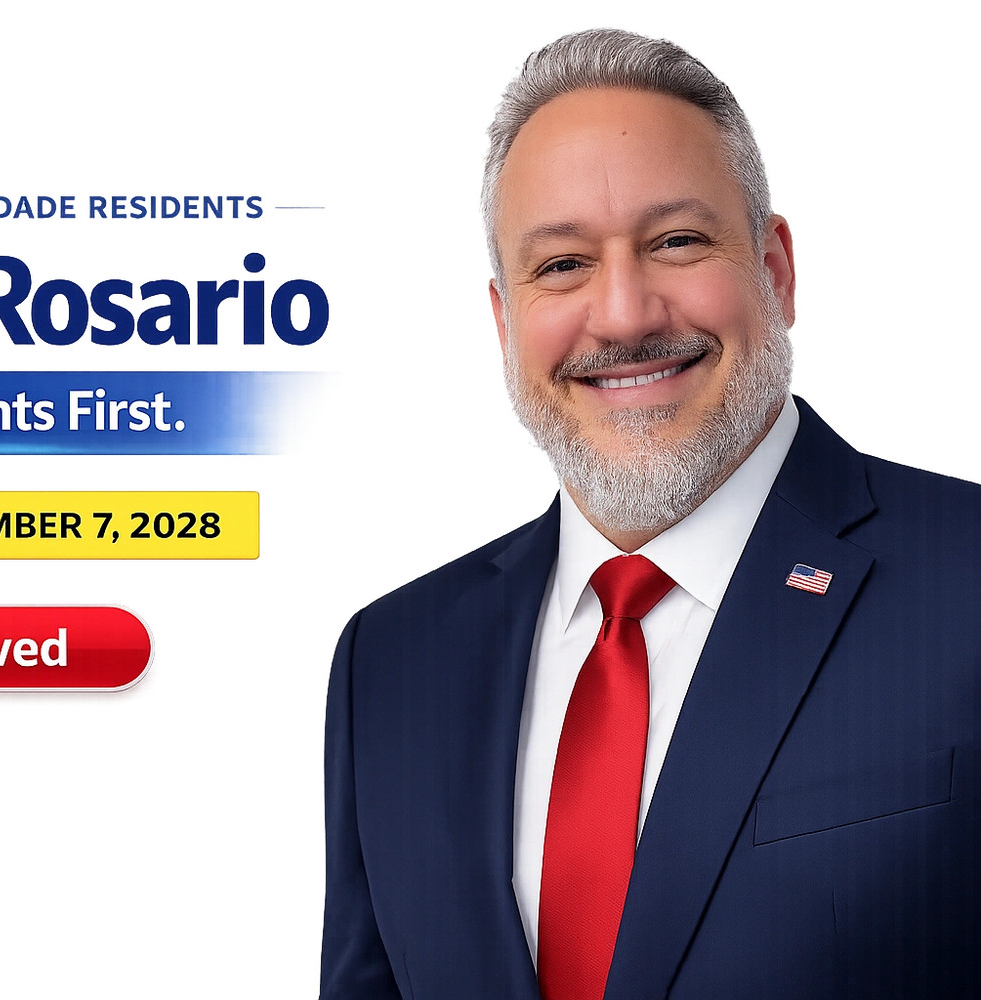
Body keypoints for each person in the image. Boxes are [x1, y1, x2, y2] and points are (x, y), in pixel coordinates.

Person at [319, 22, 977, 1000]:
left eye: (676, 241)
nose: (624, 315)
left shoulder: (967, 581)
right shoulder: (393, 656)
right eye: (561, 265)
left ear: (779, 268)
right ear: (501, 317)